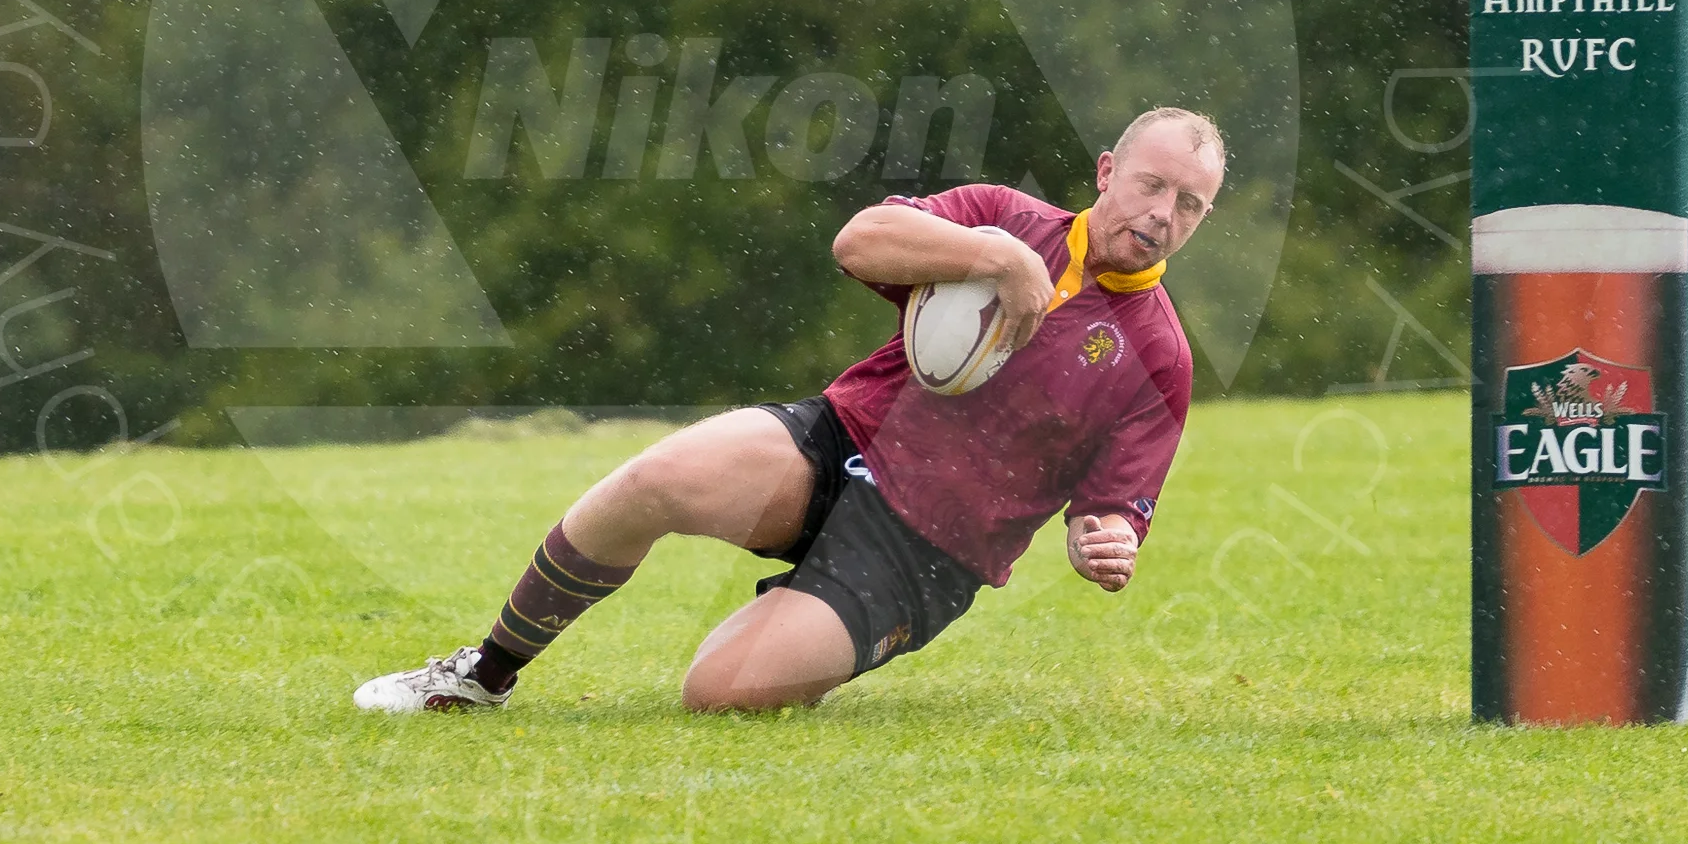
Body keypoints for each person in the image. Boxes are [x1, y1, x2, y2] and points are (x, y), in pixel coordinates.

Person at [353, 106, 1225, 714]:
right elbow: (858, 241)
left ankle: (811, 622)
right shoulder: (1003, 216)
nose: (1162, 214)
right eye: (1152, 185)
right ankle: (481, 675)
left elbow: (1112, 511)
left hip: (925, 553)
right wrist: (990, 256)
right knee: (658, 478)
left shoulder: (1160, 358)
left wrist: (1104, 540)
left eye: (1189, 204)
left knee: (716, 693)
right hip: (841, 442)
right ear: (1109, 171)